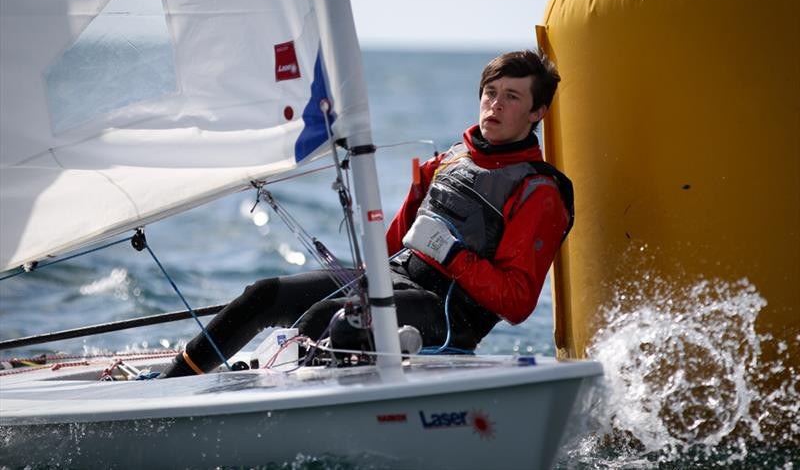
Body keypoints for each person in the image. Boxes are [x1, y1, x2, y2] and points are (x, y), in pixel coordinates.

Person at [160, 49, 573, 378]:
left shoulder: (538, 191)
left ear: (537, 113)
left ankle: (265, 402)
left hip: (449, 314)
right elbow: (392, 246)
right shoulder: (447, 161)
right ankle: (171, 387)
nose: (494, 105)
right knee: (265, 295)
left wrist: (451, 256)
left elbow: (517, 303)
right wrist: (356, 280)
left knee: (331, 319)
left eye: (512, 97)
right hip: (395, 282)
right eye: (490, 92)